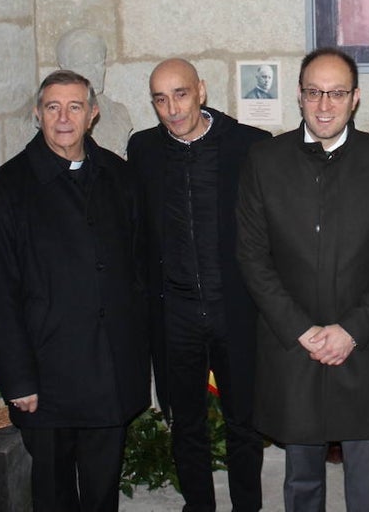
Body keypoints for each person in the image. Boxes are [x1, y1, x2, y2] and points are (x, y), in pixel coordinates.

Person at [236, 47, 369, 512]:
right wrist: (303, 330)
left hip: (361, 340)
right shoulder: (264, 160)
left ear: (355, 98)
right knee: (301, 477)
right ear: (299, 96)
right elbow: (253, 258)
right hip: (292, 342)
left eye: (336, 93)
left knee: (365, 473)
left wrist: (351, 330)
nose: (323, 105)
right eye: (314, 92)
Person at [0, 69, 148, 512]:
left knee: (101, 493)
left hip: (109, 371)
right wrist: (17, 379)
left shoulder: (119, 176)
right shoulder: (6, 188)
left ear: (92, 114)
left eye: (75, 106)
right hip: (46, 380)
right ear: (38, 115)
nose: (64, 117)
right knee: (52, 496)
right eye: (53, 107)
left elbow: (137, 273)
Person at [127, 59, 271, 512]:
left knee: (244, 421)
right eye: (160, 99)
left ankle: (248, 505)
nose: (172, 108)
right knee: (185, 422)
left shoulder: (250, 145)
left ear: (202, 91)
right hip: (176, 313)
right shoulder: (143, 149)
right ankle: (199, 505)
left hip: (236, 309)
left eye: (181, 94)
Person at [56, 27, 133, 156]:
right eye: (85, 65)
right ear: (65, 68)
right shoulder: (53, 118)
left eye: (99, 63)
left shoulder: (119, 113)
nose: (95, 72)